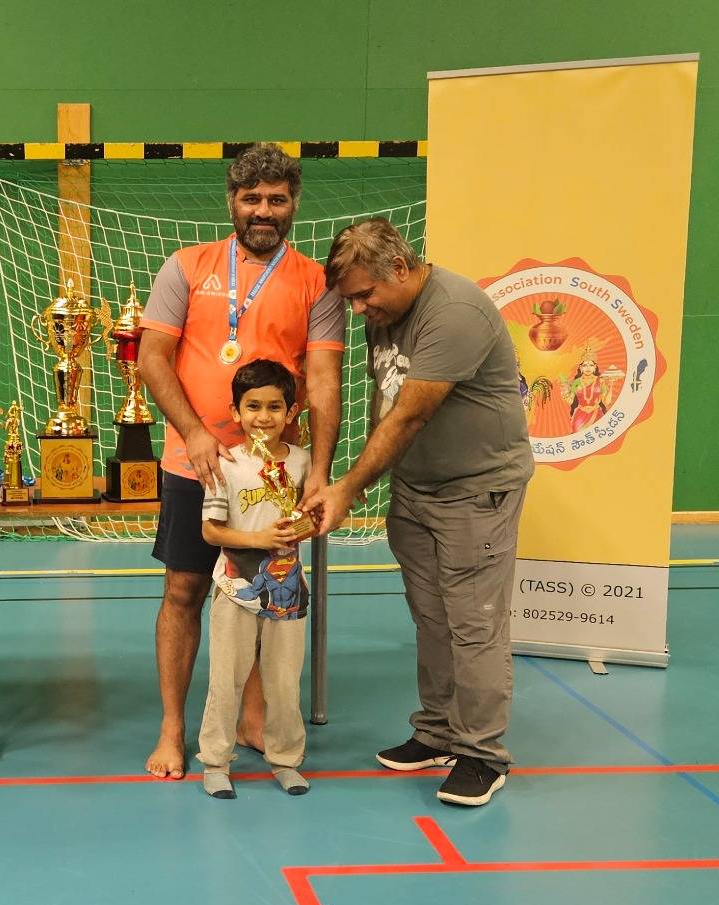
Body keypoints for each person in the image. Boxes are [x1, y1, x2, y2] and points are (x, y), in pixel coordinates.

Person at [302, 217, 533, 807]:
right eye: (350, 299)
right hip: (417, 488)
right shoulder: (386, 313)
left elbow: (409, 414)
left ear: (401, 268)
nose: (358, 310)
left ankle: (482, 753)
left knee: (474, 624)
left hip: (475, 492)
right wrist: (373, 481)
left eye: (364, 295)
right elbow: (384, 398)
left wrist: (349, 487)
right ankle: (437, 732)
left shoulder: (454, 311)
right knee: (431, 618)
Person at [135, 143, 344, 779]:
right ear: (232, 202)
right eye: (251, 198)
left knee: (265, 593)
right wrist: (195, 433)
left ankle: (254, 720)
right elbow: (151, 359)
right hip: (192, 463)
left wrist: (319, 471)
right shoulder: (186, 266)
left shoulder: (316, 282)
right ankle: (172, 729)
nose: (263, 210)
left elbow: (324, 379)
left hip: (273, 474)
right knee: (184, 591)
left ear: (293, 204)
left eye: (276, 199)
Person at [197, 359, 313, 799]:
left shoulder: (302, 463)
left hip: (288, 591)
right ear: (235, 411)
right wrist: (258, 538)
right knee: (225, 679)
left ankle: (285, 759)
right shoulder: (225, 463)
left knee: (284, 683)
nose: (264, 417)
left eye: (274, 407)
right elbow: (211, 531)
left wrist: (305, 524)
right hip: (235, 589)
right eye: (253, 406)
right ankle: (216, 762)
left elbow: (316, 518)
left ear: (291, 411)